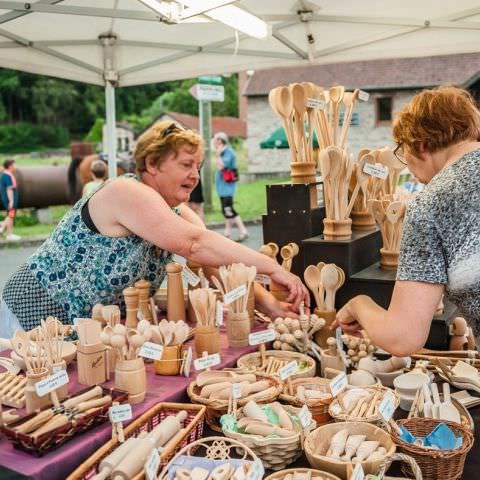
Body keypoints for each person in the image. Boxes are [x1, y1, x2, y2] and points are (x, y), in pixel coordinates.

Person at [0, 121, 309, 337]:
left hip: (86, 330)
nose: (195, 176)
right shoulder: (125, 191)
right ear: (151, 163)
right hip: (32, 315)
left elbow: (210, 260)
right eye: (186, 165)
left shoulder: (173, 209)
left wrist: (271, 305)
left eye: (198, 167)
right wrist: (271, 268)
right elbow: (195, 245)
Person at [334, 86, 480, 356]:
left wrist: (358, 304)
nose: (409, 170)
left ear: (420, 144)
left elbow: (402, 337)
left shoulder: (431, 203)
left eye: (403, 152)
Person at [213, 132, 249, 242]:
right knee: (226, 209)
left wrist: (218, 155)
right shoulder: (223, 151)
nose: (214, 142)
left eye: (215, 139)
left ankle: (243, 231)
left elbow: (222, 166)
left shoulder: (228, 152)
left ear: (220, 140)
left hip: (227, 186)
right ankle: (227, 232)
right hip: (223, 186)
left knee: (228, 209)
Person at [0, 159, 20, 241]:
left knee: (10, 215)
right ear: (10, 166)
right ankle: (9, 234)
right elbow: (9, 189)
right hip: (10, 199)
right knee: (10, 216)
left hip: (8, 199)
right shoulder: (7, 175)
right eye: (14, 165)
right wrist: (11, 201)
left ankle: (5, 231)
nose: (16, 167)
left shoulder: (5, 175)